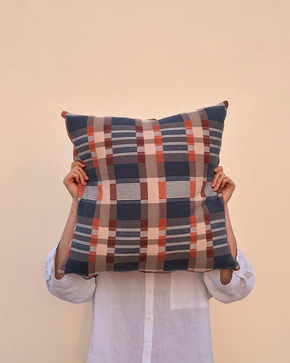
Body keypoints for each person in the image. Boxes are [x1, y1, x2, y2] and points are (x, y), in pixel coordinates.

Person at [45, 161, 255, 363]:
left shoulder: (199, 232)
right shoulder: (105, 229)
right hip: (114, 355)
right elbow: (66, 287)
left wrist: (219, 205)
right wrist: (79, 201)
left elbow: (233, 288)